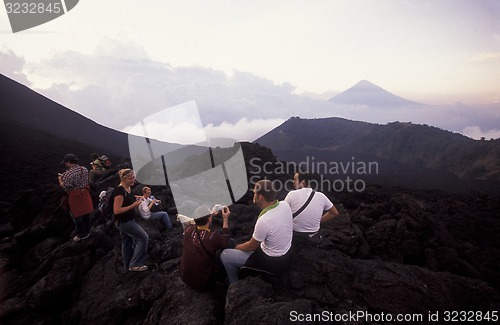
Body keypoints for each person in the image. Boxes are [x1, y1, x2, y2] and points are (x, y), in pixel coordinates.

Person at [220, 180, 293, 283]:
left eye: (255, 193)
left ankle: (234, 283)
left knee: (225, 255)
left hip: (272, 262)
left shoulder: (264, 220)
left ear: (260, 197)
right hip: (286, 255)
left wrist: (237, 247)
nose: (253, 195)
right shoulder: (285, 205)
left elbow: (251, 246)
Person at [179, 205, 233, 291]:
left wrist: (210, 214)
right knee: (229, 244)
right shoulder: (212, 236)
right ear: (209, 219)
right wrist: (225, 219)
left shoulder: (188, 230)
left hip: (185, 278)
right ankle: (226, 278)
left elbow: (195, 221)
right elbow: (226, 242)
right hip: (204, 283)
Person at [284, 172, 339, 248]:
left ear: (302, 182)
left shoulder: (292, 194)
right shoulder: (321, 196)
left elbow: (283, 213)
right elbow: (334, 213)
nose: (293, 181)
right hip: (313, 236)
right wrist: (319, 220)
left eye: (295, 179)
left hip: (294, 235)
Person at [110, 168, 149, 272]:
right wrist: (133, 205)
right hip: (124, 222)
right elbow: (117, 210)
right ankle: (135, 264)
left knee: (127, 243)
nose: (132, 180)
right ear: (123, 179)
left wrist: (135, 198)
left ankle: (127, 266)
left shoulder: (127, 188)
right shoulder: (119, 191)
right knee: (143, 238)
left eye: (133, 178)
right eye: (129, 179)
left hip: (124, 221)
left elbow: (125, 201)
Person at [58, 153, 93, 242]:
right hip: (85, 193)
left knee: (77, 215)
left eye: (66, 162)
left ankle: (82, 234)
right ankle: (88, 231)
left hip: (75, 195)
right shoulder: (84, 169)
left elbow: (66, 187)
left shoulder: (68, 174)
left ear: (69, 162)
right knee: (86, 212)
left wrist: (60, 180)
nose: (65, 164)